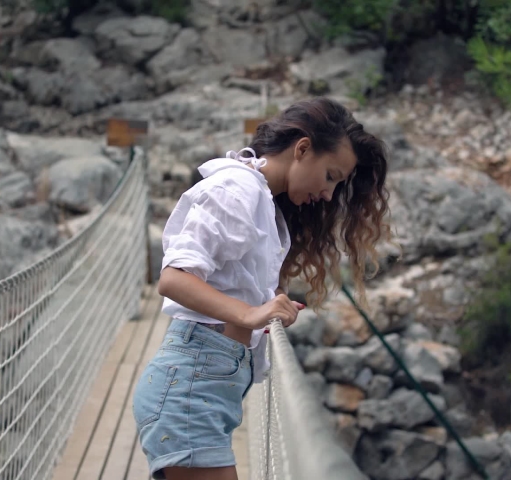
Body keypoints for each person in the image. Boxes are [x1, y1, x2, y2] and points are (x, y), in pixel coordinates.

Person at [132, 97, 391, 480]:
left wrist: (262, 302)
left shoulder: (259, 197)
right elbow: (174, 278)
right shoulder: (239, 189)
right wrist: (250, 314)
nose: (329, 194)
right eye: (332, 176)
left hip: (202, 392)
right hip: (189, 393)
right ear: (302, 149)